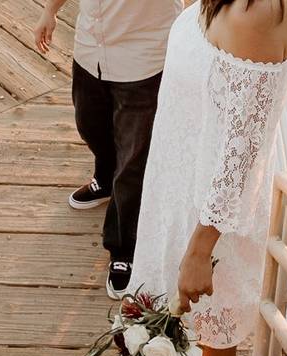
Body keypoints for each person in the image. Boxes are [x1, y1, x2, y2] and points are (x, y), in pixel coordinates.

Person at [83, 0, 287, 356]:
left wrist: (202, 245)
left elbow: (242, 151)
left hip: (208, 206)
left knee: (161, 302)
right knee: (209, 306)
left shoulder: (256, 15)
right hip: (180, 179)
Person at [34, 0, 184, 299]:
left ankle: (124, 248)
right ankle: (104, 180)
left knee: (133, 162)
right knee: (89, 124)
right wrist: (49, 11)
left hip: (144, 57)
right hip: (90, 49)